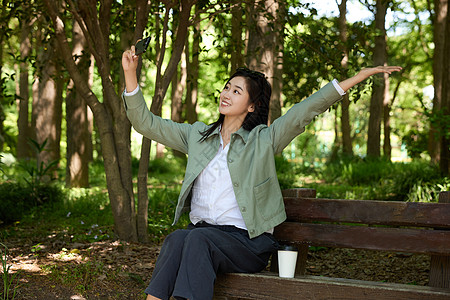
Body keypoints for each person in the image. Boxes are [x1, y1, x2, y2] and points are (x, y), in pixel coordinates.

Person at [122, 45, 401, 300]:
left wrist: (359, 76)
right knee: (177, 238)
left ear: (252, 105)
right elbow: (146, 124)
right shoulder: (197, 136)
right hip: (204, 236)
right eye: (227, 87)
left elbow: (305, 111)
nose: (226, 94)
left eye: (236, 91)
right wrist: (130, 73)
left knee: (194, 239)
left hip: (247, 244)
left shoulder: (263, 140)